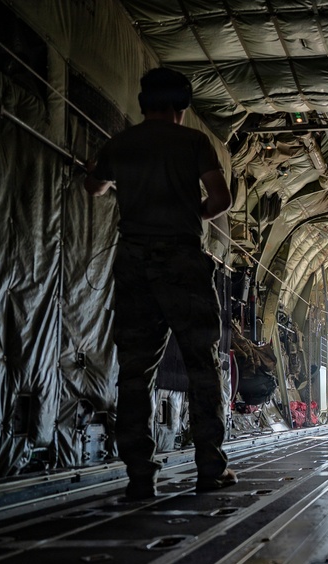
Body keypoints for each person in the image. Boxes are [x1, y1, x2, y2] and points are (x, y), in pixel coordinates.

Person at [84, 67, 237, 499]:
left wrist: (100, 170)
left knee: (136, 372)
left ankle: (140, 475)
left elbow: (93, 187)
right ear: (181, 108)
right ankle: (210, 469)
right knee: (203, 367)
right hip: (182, 262)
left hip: (133, 262)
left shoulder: (120, 143)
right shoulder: (193, 142)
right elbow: (221, 198)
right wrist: (193, 215)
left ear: (142, 103)